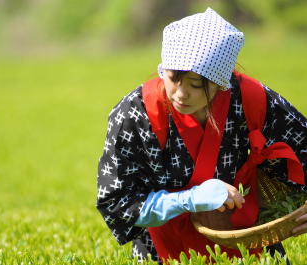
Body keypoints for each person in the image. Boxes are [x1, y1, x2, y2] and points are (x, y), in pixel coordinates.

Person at [96, 7, 307, 264]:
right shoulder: (136, 114)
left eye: (196, 84)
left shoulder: (251, 99)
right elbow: (117, 204)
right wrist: (188, 200)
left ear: (221, 81)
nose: (181, 94)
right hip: (163, 248)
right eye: (173, 77)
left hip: (246, 241)